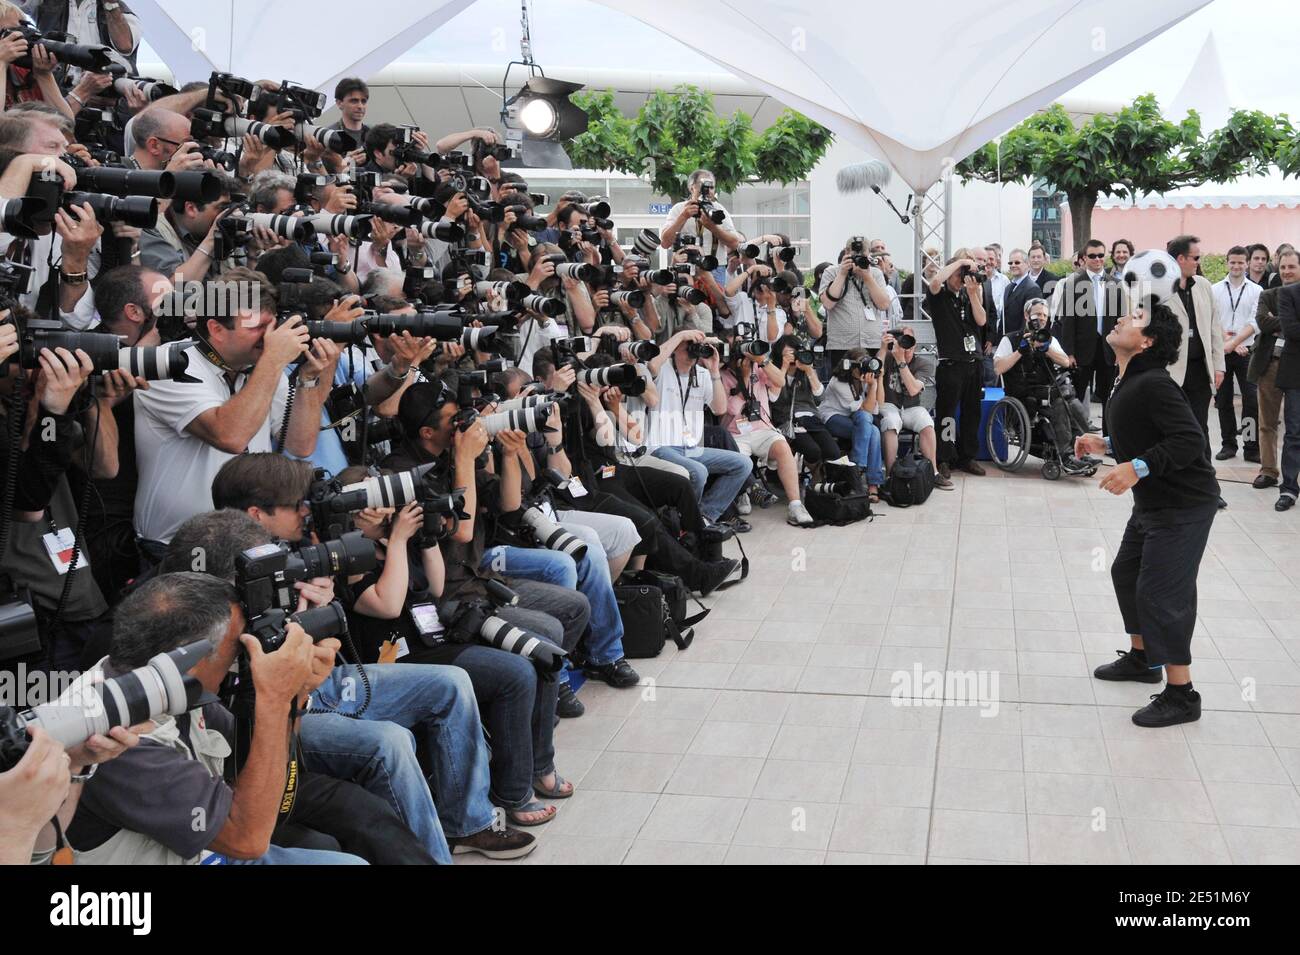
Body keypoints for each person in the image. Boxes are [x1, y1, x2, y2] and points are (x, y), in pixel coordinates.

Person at [65, 573, 366, 863]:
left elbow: (253, 760)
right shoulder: (115, 736)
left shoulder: (162, 682)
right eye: (236, 649)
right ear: (191, 662)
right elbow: (248, 840)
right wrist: (275, 699)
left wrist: (296, 692)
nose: (242, 659)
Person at [1080, 299, 1220, 727]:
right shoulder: (1126, 380)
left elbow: (1189, 441)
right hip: (1155, 504)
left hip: (1184, 505)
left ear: (1147, 341)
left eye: (1135, 318)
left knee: (1162, 593)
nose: (1123, 318)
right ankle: (1144, 660)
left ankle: (1182, 694)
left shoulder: (1155, 383)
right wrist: (1104, 445)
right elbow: (1145, 433)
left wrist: (1137, 468)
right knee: (1126, 573)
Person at [131, 268, 340, 553]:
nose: (269, 337)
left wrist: (308, 380)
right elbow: (231, 436)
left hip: (250, 543)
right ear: (216, 329)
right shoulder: (170, 365)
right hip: (178, 550)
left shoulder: (263, 366)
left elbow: (300, 444)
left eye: (272, 325)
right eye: (257, 328)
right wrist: (273, 360)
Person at [645, 329, 753, 525]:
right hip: (660, 446)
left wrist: (713, 371)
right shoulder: (663, 369)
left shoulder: (703, 374)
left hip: (691, 447)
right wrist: (680, 335)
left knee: (743, 464)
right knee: (699, 471)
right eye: (688, 345)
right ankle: (686, 520)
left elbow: (720, 408)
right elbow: (651, 364)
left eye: (695, 346)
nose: (692, 350)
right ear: (675, 348)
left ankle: (703, 516)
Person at [719, 345, 816, 526]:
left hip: (762, 428)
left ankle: (795, 505)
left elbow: (780, 381)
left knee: (783, 447)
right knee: (739, 459)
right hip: (735, 433)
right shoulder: (723, 375)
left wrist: (761, 360)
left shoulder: (758, 366)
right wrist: (745, 377)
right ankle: (742, 493)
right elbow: (729, 409)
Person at [994, 298, 1092, 474]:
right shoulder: (1010, 339)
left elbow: (1065, 361)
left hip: (1048, 390)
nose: (1041, 318)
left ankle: (1081, 452)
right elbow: (998, 368)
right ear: (1026, 315)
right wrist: (1020, 351)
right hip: (1023, 394)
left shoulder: (1048, 339)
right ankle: (1067, 455)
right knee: (1061, 403)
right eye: (1037, 314)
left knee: (1073, 403)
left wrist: (1047, 349)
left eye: (1045, 315)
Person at [1163, 235, 1226, 507]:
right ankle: (1174, 487)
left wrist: (1219, 366)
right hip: (1171, 373)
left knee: (1199, 430)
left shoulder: (1204, 286)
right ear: (1181, 259)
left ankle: (1208, 488)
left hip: (1200, 372)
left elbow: (1214, 330)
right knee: (1172, 431)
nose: (1199, 262)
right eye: (1196, 257)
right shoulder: (1159, 288)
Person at [1235, 248, 1300, 491]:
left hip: (1295, 368)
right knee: (1267, 422)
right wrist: (1292, 322)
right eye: (1283, 267)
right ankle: (1269, 471)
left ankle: (1292, 477)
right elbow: (1262, 322)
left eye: (1291, 267)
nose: (1286, 272)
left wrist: (1284, 323)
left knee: (1295, 426)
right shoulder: (1268, 295)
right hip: (1269, 364)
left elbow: (1286, 328)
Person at [925, 252, 988, 479]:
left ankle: (967, 457)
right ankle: (945, 457)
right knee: (948, 415)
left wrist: (973, 294)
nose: (962, 277)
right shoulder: (940, 295)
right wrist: (960, 262)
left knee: (972, 413)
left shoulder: (969, 294)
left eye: (965, 273)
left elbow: (981, 320)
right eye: (960, 273)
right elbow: (933, 282)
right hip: (950, 364)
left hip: (973, 362)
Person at [1054, 238, 1126, 426]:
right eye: (1092, 256)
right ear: (1084, 258)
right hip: (1081, 351)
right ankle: (1077, 439)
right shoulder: (1073, 283)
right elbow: (1067, 321)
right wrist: (1068, 352)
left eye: (1101, 255)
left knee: (1109, 397)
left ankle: (1109, 439)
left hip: (1108, 350)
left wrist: (1121, 352)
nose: (1097, 259)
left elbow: (1122, 320)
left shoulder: (1115, 284)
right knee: (1076, 397)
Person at [876, 326, 948, 485]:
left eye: (909, 341)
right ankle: (890, 476)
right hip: (889, 404)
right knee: (890, 423)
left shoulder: (924, 363)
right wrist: (883, 349)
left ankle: (933, 472)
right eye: (902, 340)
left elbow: (914, 389)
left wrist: (901, 362)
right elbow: (876, 372)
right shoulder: (888, 357)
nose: (906, 345)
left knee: (928, 424)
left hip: (912, 406)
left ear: (915, 344)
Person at [1210, 246, 1262, 463]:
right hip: (1221, 351)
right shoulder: (1215, 290)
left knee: (1250, 401)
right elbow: (1213, 319)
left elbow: (1255, 321)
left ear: (1247, 263)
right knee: (1223, 400)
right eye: (1233, 262)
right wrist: (1227, 342)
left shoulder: (1257, 291)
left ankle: (1250, 447)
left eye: (1241, 262)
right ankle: (1228, 444)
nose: (1237, 266)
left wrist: (1236, 342)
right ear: (1227, 262)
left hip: (1246, 352)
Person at [817, 348, 886, 501]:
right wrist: (871, 387)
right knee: (870, 427)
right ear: (849, 366)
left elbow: (878, 405)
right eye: (860, 366)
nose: (863, 369)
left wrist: (876, 382)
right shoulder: (838, 382)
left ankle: (860, 473)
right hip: (832, 417)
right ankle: (863, 474)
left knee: (872, 430)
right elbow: (866, 411)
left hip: (856, 419)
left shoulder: (866, 378)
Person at [817, 237, 893, 368]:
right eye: (854, 255)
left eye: (863, 255)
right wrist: (842, 274)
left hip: (871, 342)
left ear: (869, 254)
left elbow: (884, 304)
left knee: (872, 382)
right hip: (841, 344)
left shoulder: (876, 274)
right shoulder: (831, 272)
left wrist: (867, 277)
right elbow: (828, 304)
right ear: (846, 252)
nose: (858, 259)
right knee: (842, 383)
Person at [659, 167, 741, 254]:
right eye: (704, 186)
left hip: (714, 265)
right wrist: (683, 217)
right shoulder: (679, 209)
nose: (708, 191)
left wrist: (713, 227)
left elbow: (735, 243)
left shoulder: (718, 209)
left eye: (711, 187)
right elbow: (665, 243)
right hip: (687, 265)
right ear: (691, 188)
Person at [1273, 278, 1300, 512]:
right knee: (1294, 433)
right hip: (1296, 376)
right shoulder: (1288, 293)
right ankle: (1289, 489)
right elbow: (1291, 330)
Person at [1001, 248, 1037, 338]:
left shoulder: (1032, 289)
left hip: (1019, 343)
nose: (1013, 265)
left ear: (1027, 264)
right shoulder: (1008, 287)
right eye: (1010, 263)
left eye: (1017, 262)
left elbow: (1029, 321)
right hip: (1004, 341)